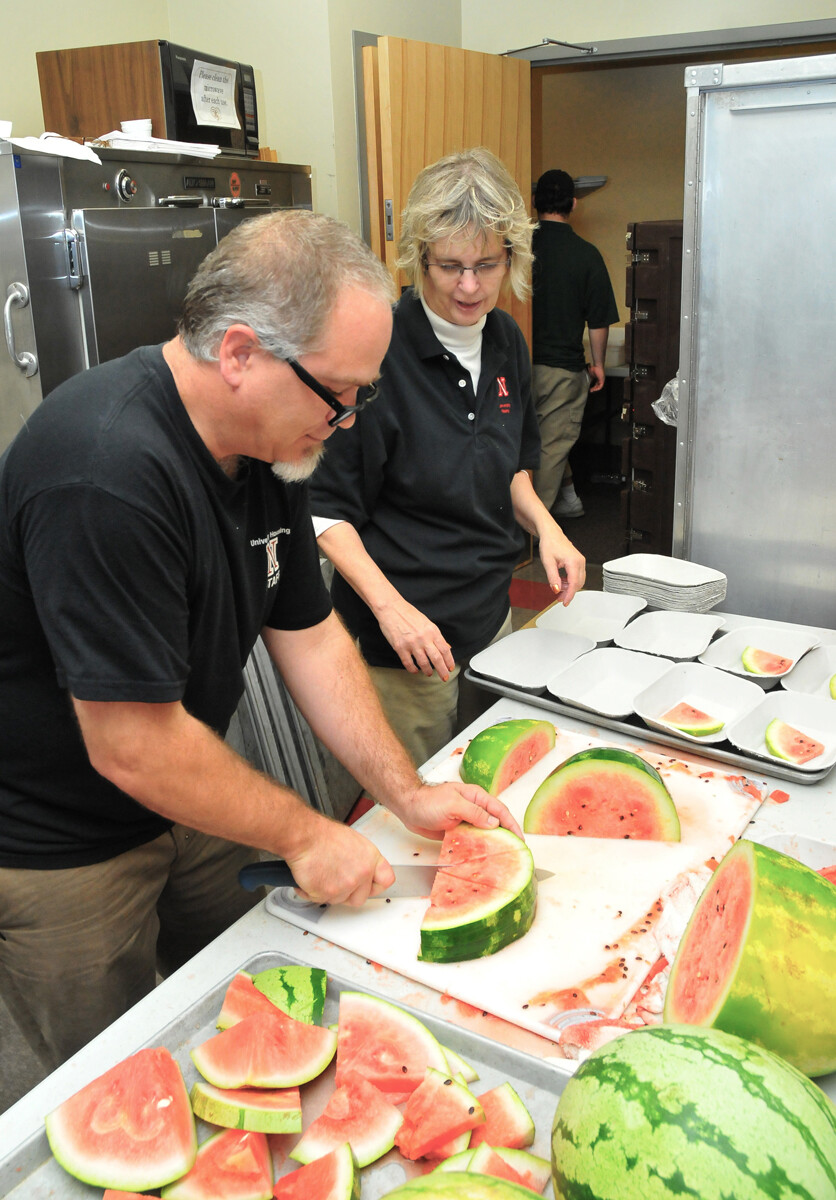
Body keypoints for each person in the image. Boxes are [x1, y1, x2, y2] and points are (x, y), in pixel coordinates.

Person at [0, 209, 519, 1073]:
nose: (350, 420)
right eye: (339, 393)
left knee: (275, 1001)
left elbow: (310, 636)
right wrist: (307, 833)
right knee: (121, 1077)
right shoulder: (106, 471)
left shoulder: (270, 445)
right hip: (61, 839)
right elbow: (131, 745)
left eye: (365, 394)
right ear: (239, 353)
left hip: (187, 787)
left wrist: (403, 793)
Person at [310, 148, 586, 768]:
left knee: (493, 776)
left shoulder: (507, 339)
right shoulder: (375, 353)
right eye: (450, 267)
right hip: (403, 636)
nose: (469, 286)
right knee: (417, 804)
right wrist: (392, 612)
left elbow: (511, 464)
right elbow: (326, 512)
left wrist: (549, 530)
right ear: (418, 259)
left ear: (510, 259)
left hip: (490, 613)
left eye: (486, 266)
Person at [530, 168, 620, 519]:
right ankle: (529, 538)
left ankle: (568, 498)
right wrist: (597, 364)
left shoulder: (515, 249)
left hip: (512, 366)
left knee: (523, 443)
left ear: (535, 202)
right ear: (574, 204)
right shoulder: (587, 255)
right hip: (561, 370)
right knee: (553, 446)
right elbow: (598, 321)